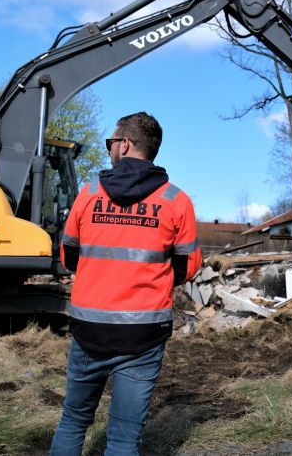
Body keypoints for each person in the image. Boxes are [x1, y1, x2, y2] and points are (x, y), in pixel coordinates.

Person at [51, 112, 201, 455]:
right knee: (123, 438)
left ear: (125, 144)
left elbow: (68, 256)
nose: (109, 151)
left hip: (89, 330)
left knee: (73, 421)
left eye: (110, 144)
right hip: (143, 336)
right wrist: (149, 279)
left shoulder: (88, 194)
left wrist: (100, 275)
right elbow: (187, 266)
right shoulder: (177, 202)